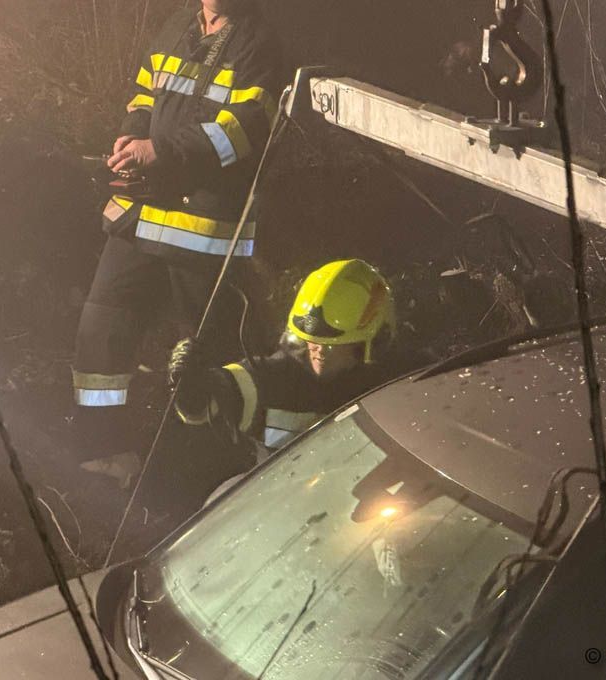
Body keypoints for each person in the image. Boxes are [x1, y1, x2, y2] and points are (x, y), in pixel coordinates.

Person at [72, 0, 282, 420]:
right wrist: (132, 136)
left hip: (202, 228)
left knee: (205, 353)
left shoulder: (260, 42)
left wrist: (162, 151)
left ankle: (212, 451)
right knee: (101, 330)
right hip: (143, 212)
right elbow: (144, 98)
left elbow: (245, 128)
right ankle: (101, 439)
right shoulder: (176, 28)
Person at [167, 259, 407, 458]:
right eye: (312, 340)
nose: (319, 350)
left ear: (370, 342)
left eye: (333, 344)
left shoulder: (399, 379)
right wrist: (192, 388)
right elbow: (215, 398)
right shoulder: (273, 377)